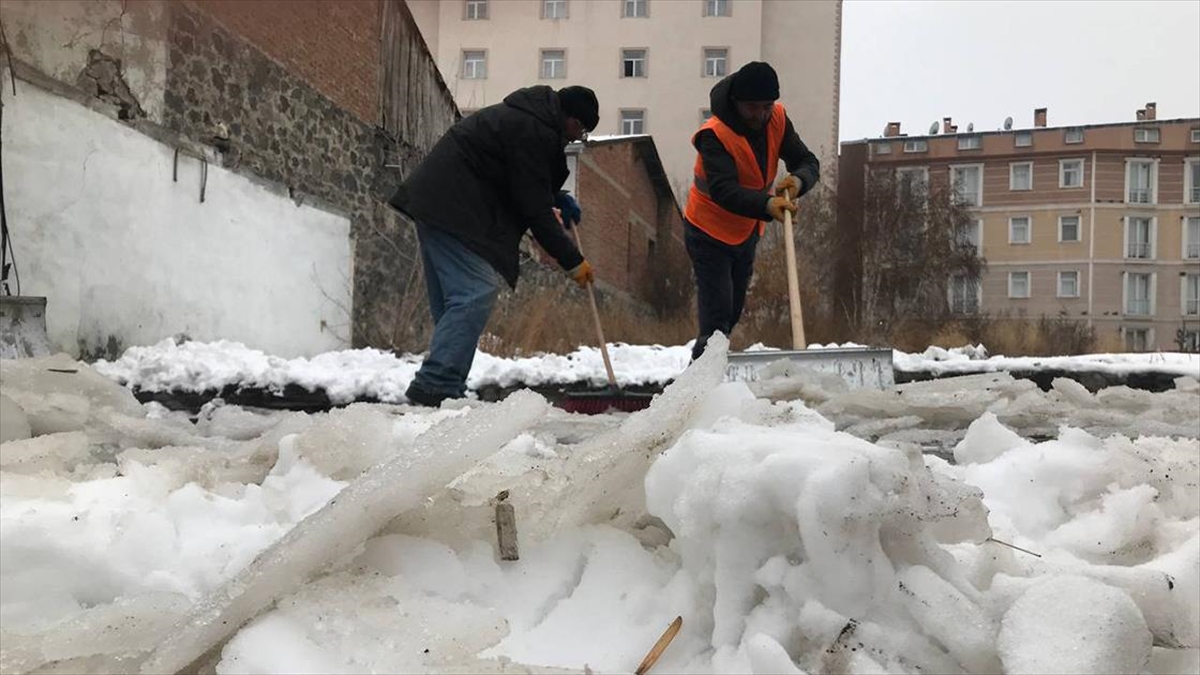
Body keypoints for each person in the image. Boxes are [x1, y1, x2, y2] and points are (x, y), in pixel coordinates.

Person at [389, 85, 600, 407]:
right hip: (454, 208)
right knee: (475, 293)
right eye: (581, 129)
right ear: (569, 117)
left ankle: (443, 389)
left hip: (440, 204)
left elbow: (519, 177)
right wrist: (571, 259)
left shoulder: (529, 120)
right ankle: (435, 386)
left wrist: (557, 197)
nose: (577, 138)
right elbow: (532, 206)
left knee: (454, 305)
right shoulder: (533, 128)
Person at [683, 61, 820, 361]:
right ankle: (695, 394)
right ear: (736, 103)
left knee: (731, 314)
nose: (760, 114)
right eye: (752, 108)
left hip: (746, 232)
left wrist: (799, 181)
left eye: (766, 106)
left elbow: (807, 161)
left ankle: (709, 379)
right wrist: (767, 204)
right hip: (707, 230)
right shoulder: (715, 135)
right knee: (716, 322)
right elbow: (723, 189)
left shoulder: (777, 119)